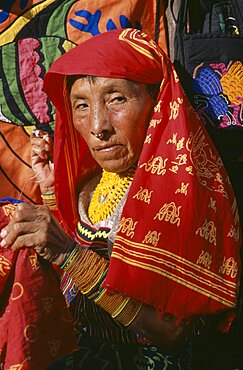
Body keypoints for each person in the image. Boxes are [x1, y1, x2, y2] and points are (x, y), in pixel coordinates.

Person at [0, 28, 241, 370]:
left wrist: (71, 256)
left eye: (116, 99)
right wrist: (52, 192)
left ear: (156, 103)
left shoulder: (184, 194)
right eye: (81, 105)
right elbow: (71, 272)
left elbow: (170, 331)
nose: (98, 125)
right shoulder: (92, 185)